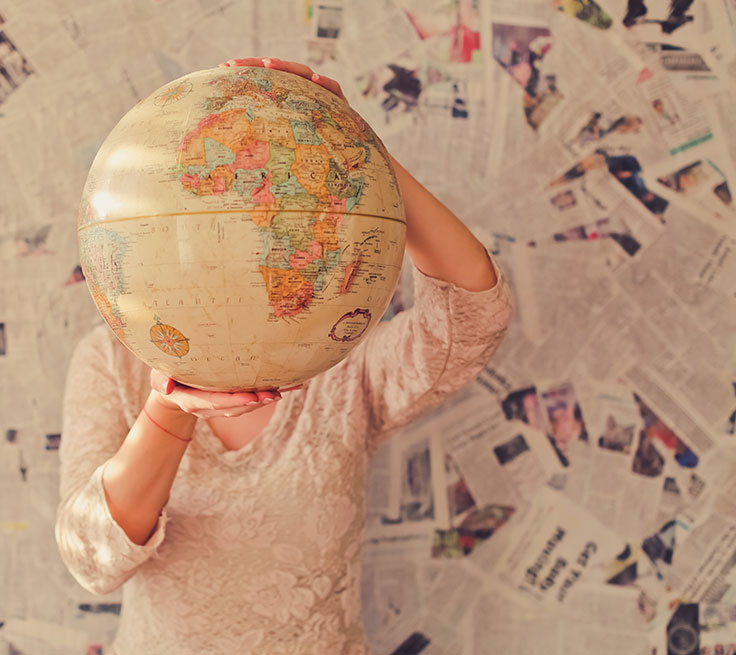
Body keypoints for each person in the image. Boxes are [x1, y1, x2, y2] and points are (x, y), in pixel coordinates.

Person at [54, 57, 514, 654]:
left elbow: (474, 313)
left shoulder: (339, 356)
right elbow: (94, 562)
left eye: (263, 205)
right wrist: (168, 413)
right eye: (213, 205)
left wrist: (358, 151)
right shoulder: (109, 360)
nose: (232, 224)